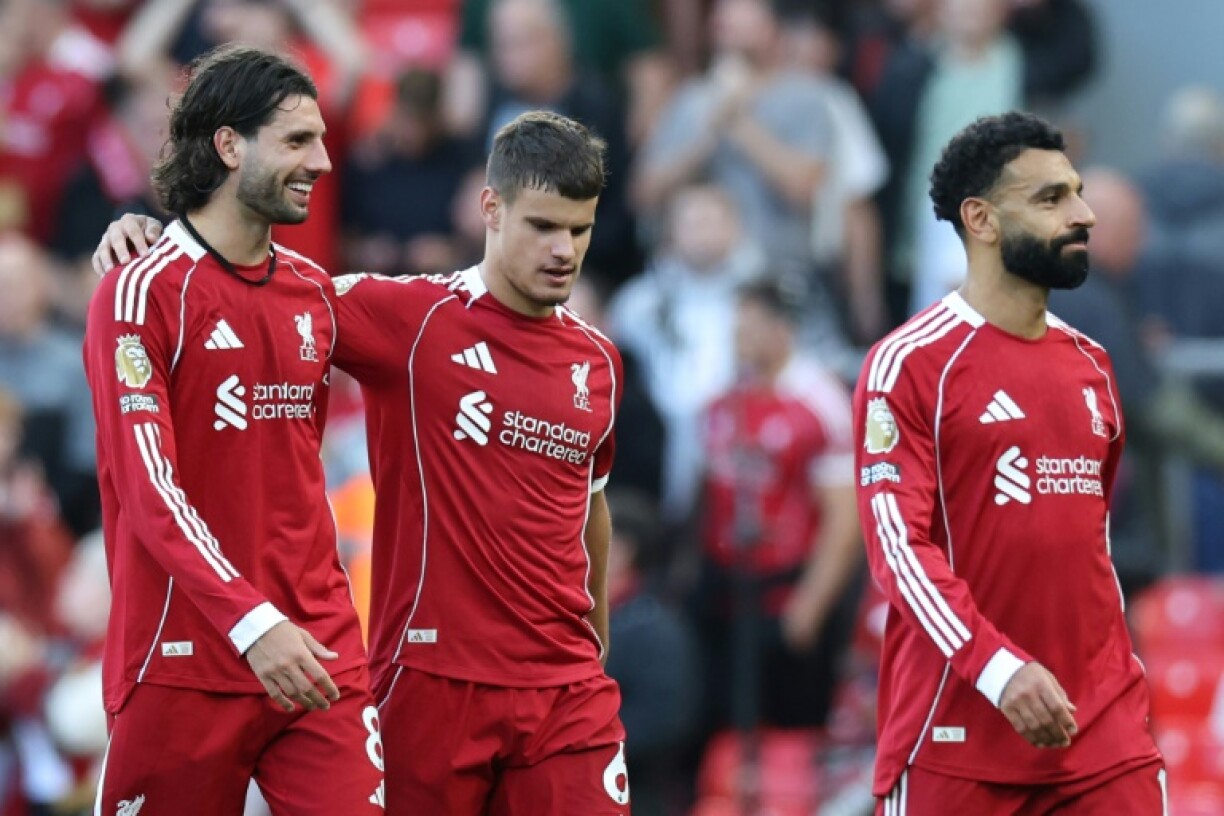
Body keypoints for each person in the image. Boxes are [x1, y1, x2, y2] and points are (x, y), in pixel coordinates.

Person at [96, 110, 630, 815]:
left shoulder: (600, 362)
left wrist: (593, 648)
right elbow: (253, 288)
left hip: (567, 690)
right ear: (490, 209)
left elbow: (590, 511)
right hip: (433, 679)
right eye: (543, 226)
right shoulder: (408, 318)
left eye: (580, 229)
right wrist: (156, 239)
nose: (564, 249)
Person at [82, 45, 383, 815]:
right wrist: (252, 623)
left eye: (320, 140)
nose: (321, 160)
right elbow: (151, 490)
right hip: (183, 657)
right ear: (227, 145)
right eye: (295, 141)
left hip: (317, 651)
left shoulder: (315, 293)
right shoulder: (139, 292)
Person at [853, 112, 1163, 814]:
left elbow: (1092, 545)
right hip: (958, 736)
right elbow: (900, 552)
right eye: (1052, 199)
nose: (1083, 215)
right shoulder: (909, 364)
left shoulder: (1093, 364)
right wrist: (999, 669)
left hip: (1103, 735)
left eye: (1077, 192)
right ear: (981, 220)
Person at [694, 279, 861, 731]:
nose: (739, 339)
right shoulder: (726, 392)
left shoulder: (819, 401)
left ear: (782, 328)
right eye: (736, 328)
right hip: (727, 589)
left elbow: (846, 518)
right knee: (723, 724)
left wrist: (811, 603)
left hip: (787, 591)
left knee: (790, 730)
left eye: (750, 328)